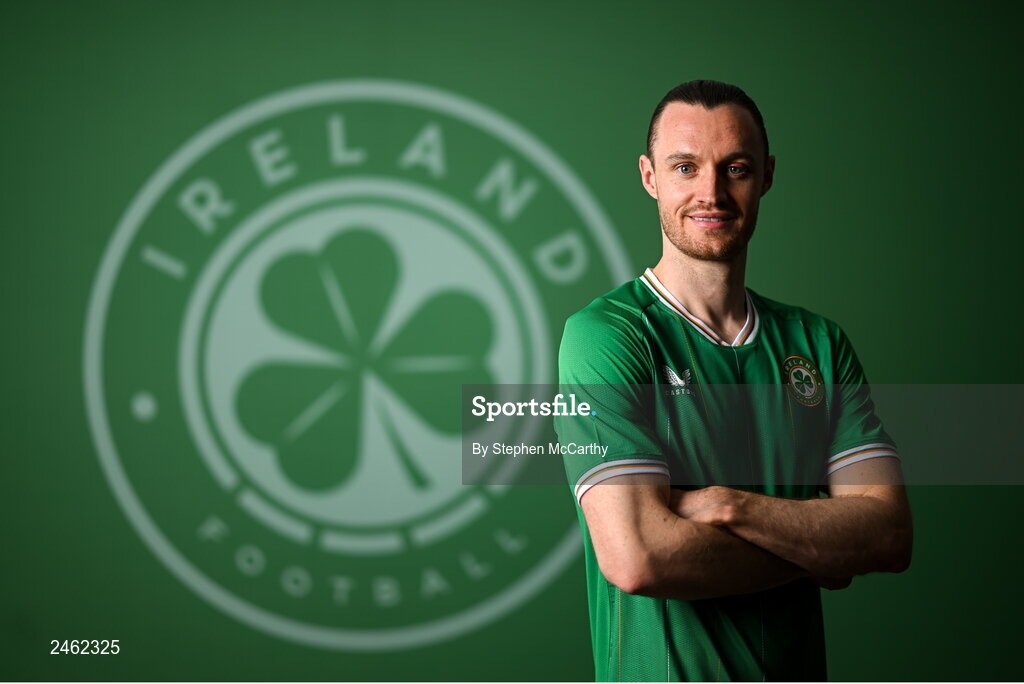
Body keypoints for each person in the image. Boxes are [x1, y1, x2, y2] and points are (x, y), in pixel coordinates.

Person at [554, 80, 912, 681]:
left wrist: (726, 506)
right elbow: (638, 556)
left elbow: (889, 533)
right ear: (650, 177)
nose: (711, 192)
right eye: (685, 167)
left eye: (735, 168)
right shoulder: (607, 336)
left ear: (766, 175)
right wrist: (818, 549)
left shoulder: (818, 344)